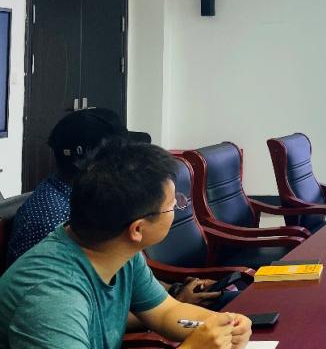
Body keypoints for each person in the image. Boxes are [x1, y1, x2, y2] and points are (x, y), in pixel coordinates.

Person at [0, 139, 252, 348]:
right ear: (138, 229)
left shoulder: (117, 250)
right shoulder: (52, 298)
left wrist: (224, 325)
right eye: (172, 205)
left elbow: (165, 312)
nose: (178, 206)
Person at [6, 108, 222, 308]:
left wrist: (174, 290)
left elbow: (123, 279)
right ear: (90, 161)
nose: (129, 162)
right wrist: (176, 302)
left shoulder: (98, 201)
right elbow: (85, 306)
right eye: (120, 154)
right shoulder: (55, 219)